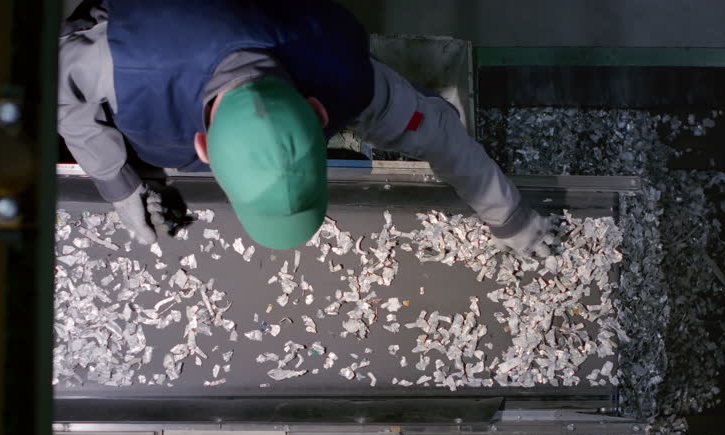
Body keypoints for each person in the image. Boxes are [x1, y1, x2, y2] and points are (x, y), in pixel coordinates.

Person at [58, 0, 550, 256]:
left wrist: (509, 215)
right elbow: (62, 89)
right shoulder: (117, 64)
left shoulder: (341, 66)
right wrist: (117, 181)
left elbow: (434, 129)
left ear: (319, 113)